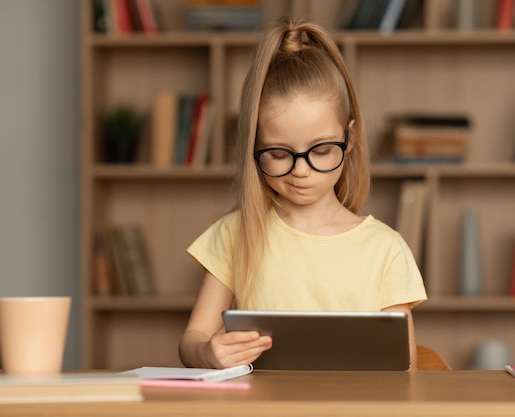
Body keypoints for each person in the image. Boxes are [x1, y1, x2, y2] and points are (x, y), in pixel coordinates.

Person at [179, 16, 427, 371]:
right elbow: (193, 339)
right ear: (254, 146)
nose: (300, 170)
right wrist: (208, 353)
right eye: (279, 154)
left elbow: (404, 369)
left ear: (350, 139)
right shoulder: (236, 234)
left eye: (321, 151)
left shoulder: (385, 249)